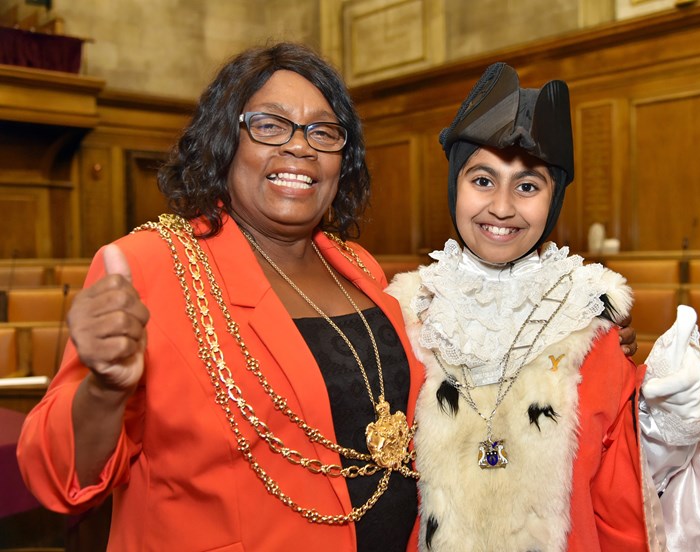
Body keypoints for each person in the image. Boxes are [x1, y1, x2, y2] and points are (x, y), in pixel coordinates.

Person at [16, 44, 639, 551]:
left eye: (323, 130)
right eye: (269, 124)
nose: (300, 146)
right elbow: (58, 480)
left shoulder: (363, 270)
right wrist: (103, 390)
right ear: (223, 141)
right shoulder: (152, 268)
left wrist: (580, 339)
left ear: (344, 158)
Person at [385, 63, 700, 551]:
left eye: (528, 186)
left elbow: (622, 479)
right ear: (455, 185)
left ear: (554, 200)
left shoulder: (587, 315)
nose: (502, 207)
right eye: (483, 180)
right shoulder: (407, 310)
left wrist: (669, 417)